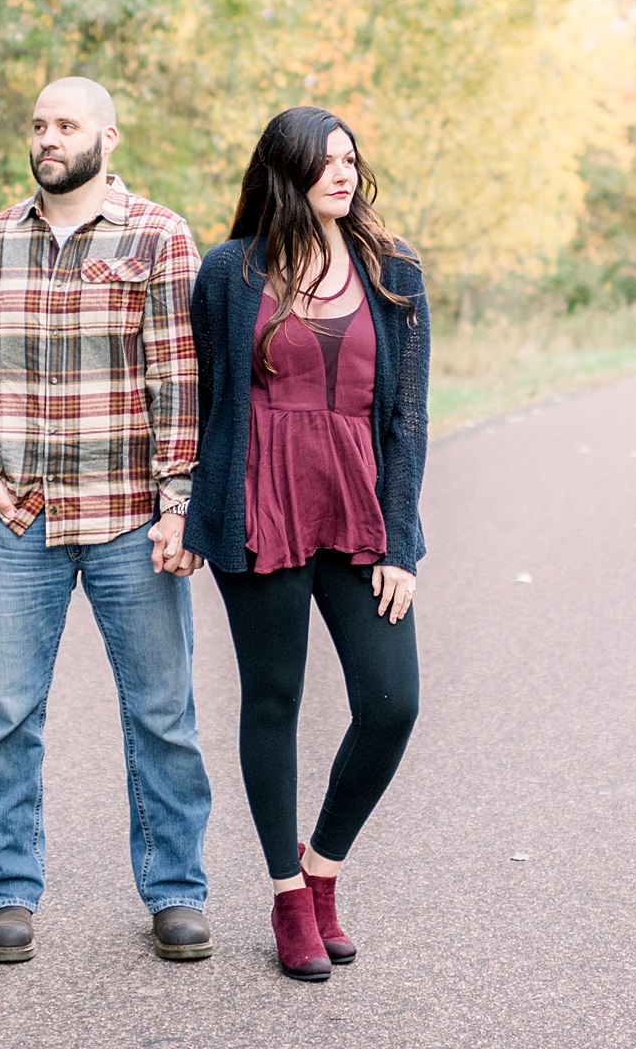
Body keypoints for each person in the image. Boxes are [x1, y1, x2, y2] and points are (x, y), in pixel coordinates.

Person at [0, 77, 215, 966]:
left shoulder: (158, 238)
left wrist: (180, 507)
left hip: (132, 518)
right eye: (40, 125)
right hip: (17, 522)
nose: (49, 137)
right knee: (7, 713)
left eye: (68, 124)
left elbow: (182, 383)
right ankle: (7, 893)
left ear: (108, 137)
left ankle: (176, 894)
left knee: (162, 714)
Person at [184, 106, 429, 981]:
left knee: (392, 703)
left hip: (359, 513)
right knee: (274, 698)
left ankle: (324, 867)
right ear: (283, 172)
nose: (344, 174)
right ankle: (288, 895)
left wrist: (401, 542)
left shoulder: (391, 269)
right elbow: (207, 404)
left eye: (352, 160)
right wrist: (188, 517)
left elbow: (406, 418)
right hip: (261, 510)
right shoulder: (228, 272)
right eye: (325, 162)